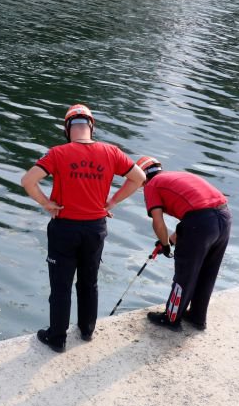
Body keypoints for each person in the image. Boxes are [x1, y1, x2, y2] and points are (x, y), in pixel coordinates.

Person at [21, 104, 146, 352]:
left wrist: (47, 203)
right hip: (95, 228)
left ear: (67, 128)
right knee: (89, 282)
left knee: (61, 286)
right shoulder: (112, 152)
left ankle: (57, 338)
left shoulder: (57, 153)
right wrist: (112, 201)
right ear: (91, 126)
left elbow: (28, 181)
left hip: (64, 228)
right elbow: (139, 178)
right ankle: (87, 330)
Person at [136, 156, 231, 331]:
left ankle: (171, 318)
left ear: (141, 177)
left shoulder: (151, 185)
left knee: (185, 273)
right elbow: (194, 215)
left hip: (201, 223)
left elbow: (158, 222)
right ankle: (197, 317)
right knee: (207, 272)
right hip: (224, 217)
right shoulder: (176, 176)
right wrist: (169, 241)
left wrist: (164, 244)